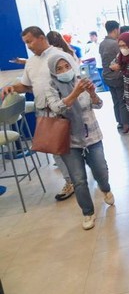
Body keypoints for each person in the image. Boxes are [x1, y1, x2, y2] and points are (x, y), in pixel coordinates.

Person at [2, 26, 76, 201]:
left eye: (30, 41)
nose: (28, 46)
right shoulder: (31, 62)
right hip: (44, 112)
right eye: (26, 42)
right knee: (56, 150)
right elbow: (28, 86)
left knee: (75, 146)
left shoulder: (59, 56)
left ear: (42, 38)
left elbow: (74, 80)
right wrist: (13, 87)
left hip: (65, 109)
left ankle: (84, 175)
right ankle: (70, 181)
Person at [44, 52, 114, 230]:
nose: (64, 71)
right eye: (59, 69)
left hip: (92, 136)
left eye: (66, 66)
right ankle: (88, 212)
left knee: (101, 171)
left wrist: (92, 93)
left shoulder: (80, 79)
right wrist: (75, 93)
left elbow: (98, 105)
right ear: (53, 71)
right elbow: (56, 107)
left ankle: (105, 189)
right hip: (69, 141)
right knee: (79, 180)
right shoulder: (51, 87)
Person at [99, 20, 129, 134]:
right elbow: (123, 58)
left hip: (106, 76)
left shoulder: (102, 43)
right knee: (123, 101)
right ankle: (126, 126)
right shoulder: (115, 44)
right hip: (117, 76)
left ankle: (119, 123)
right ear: (115, 30)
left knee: (115, 101)